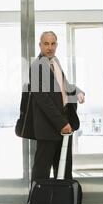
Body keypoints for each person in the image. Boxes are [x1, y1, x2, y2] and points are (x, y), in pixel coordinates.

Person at [29, 31, 85, 181]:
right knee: (42, 171)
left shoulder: (55, 62)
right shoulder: (36, 67)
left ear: (57, 45)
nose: (50, 47)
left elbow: (64, 86)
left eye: (53, 43)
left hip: (65, 122)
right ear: (40, 45)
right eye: (46, 44)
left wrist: (77, 92)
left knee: (64, 169)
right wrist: (62, 123)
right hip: (48, 126)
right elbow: (43, 100)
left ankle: (63, 203)